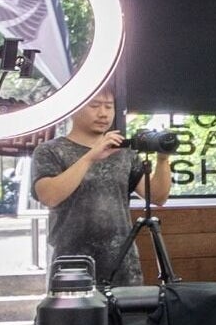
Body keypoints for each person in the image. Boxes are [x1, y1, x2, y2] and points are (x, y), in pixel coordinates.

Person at [33, 91, 170, 286]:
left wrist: (163, 159)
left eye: (109, 106)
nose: (103, 113)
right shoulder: (50, 150)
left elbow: (158, 197)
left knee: (130, 316)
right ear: (74, 109)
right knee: (74, 317)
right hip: (72, 264)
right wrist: (90, 156)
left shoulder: (124, 152)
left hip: (123, 264)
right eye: (95, 106)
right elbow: (49, 196)